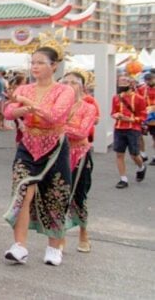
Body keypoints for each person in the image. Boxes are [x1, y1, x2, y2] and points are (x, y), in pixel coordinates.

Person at [3, 43, 76, 267]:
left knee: (55, 194)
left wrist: (28, 104)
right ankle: (19, 246)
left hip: (54, 146)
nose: (35, 66)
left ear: (54, 66)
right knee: (22, 192)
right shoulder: (25, 89)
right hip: (28, 145)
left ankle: (54, 247)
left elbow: (55, 116)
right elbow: (8, 111)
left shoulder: (65, 91)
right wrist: (20, 110)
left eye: (40, 63)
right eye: (32, 62)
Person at [61, 71, 98, 253]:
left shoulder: (88, 108)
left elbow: (82, 132)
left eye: (73, 82)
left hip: (80, 154)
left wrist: (57, 127)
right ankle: (58, 235)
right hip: (59, 154)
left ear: (81, 87)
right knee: (58, 195)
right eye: (65, 81)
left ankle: (84, 232)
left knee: (79, 195)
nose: (69, 85)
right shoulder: (56, 106)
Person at [112, 76, 147, 188]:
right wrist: (116, 115)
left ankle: (141, 167)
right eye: (120, 84)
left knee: (134, 154)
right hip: (118, 128)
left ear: (131, 85)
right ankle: (123, 179)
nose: (121, 87)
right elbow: (113, 112)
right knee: (119, 154)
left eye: (123, 84)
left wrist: (131, 119)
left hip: (133, 129)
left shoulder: (139, 99)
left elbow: (143, 115)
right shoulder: (116, 98)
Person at [136, 73, 155, 166]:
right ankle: (143, 154)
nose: (149, 82)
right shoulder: (142, 89)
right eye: (147, 80)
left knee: (154, 136)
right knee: (139, 134)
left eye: (151, 79)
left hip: (153, 115)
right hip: (144, 115)